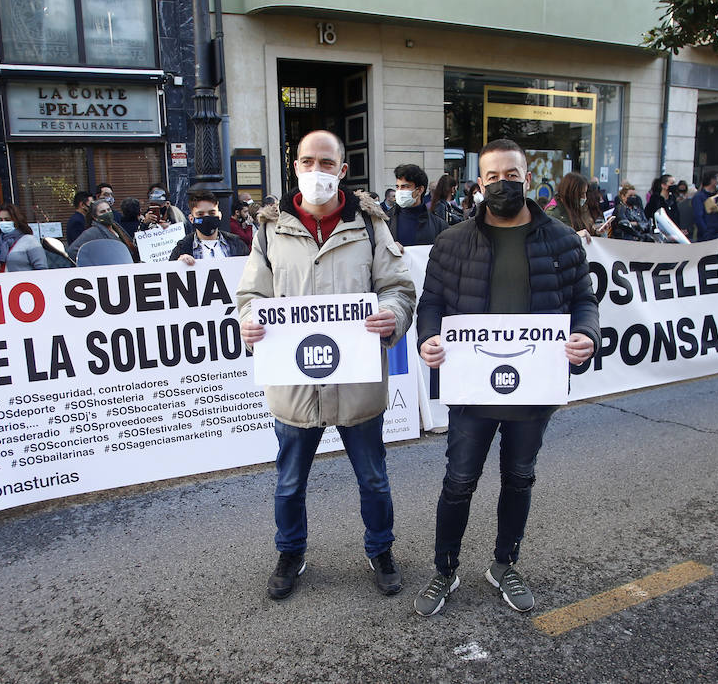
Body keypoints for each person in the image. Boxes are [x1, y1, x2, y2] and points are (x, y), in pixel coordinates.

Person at [412, 138, 600, 617]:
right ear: (479, 183)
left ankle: (504, 564)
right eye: (492, 177)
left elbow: (583, 300)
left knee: (519, 478)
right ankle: (444, 569)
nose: (502, 184)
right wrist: (428, 338)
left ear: (528, 179)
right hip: (471, 389)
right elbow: (431, 303)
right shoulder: (452, 241)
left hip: (534, 389)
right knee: (459, 481)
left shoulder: (562, 240)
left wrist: (586, 335)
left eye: (511, 175)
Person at [236, 130, 416, 602]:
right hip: (295, 388)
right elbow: (251, 295)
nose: (317, 170)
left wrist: (391, 315)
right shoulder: (270, 229)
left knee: (373, 479)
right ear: (295, 166)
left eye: (327, 162)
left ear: (342, 169)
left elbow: (398, 288)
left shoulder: (370, 225)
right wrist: (250, 322)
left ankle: (381, 550)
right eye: (308, 161)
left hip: (357, 385)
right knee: (289, 483)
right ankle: (290, 553)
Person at [171, 189, 250, 262]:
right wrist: (179, 265)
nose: (207, 217)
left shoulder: (237, 245)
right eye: (200, 214)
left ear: (219, 215)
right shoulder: (181, 249)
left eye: (212, 213)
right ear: (191, 219)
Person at [388, 163, 449, 248]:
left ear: (420, 190)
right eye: (397, 187)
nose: (399, 191)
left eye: (405, 186)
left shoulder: (439, 225)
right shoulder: (385, 220)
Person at [68, 198, 139, 262]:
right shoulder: (93, 232)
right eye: (103, 212)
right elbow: (72, 251)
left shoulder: (116, 226)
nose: (107, 213)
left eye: (109, 210)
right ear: (95, 217)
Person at [0, 204, 48, 271]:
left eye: (7, 219)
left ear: (16, 220)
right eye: (0, 220)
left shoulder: (29, 240)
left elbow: (41, 267)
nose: (3, 222)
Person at [545, 172, 593, 238]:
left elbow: (584, 228)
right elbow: (551, 239)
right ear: (571, 193)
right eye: (581, 194)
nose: (584, 197)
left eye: (585, 193)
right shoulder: (553, 212)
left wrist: (596, 230)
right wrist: (575, 236)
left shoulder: (578, 207)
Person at [691, 170, 718, 241]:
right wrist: (706, 232)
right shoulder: (699, 197)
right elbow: (698, 217)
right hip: (706, 236)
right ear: (712, 180)